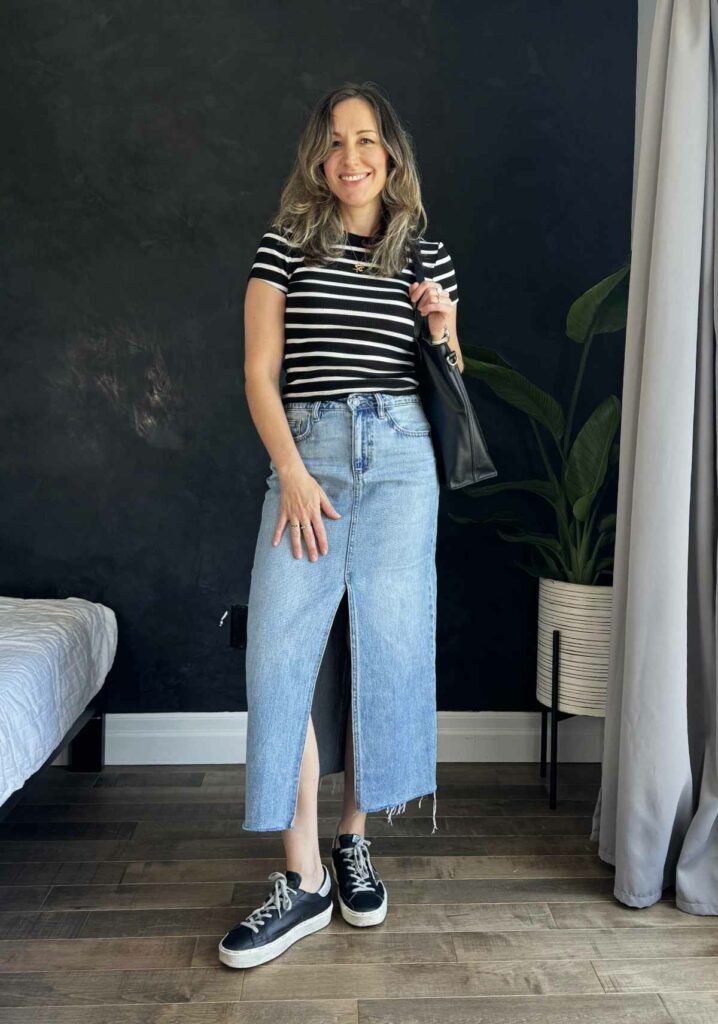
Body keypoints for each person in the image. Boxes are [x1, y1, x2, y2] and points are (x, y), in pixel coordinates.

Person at [218, 80, 463, 970]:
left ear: (389, 152)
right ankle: (302, 878)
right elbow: (258, 371)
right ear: (317, 161)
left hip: (401, 457)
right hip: (310, 454)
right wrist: (289, 471)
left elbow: (448, 372)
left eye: (365, 140)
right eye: (333, 143)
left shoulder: (422, 250)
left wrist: (441, 325)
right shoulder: (285, 242)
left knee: (385, 647)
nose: (350, 156)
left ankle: (354, 839)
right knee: (283, 650)